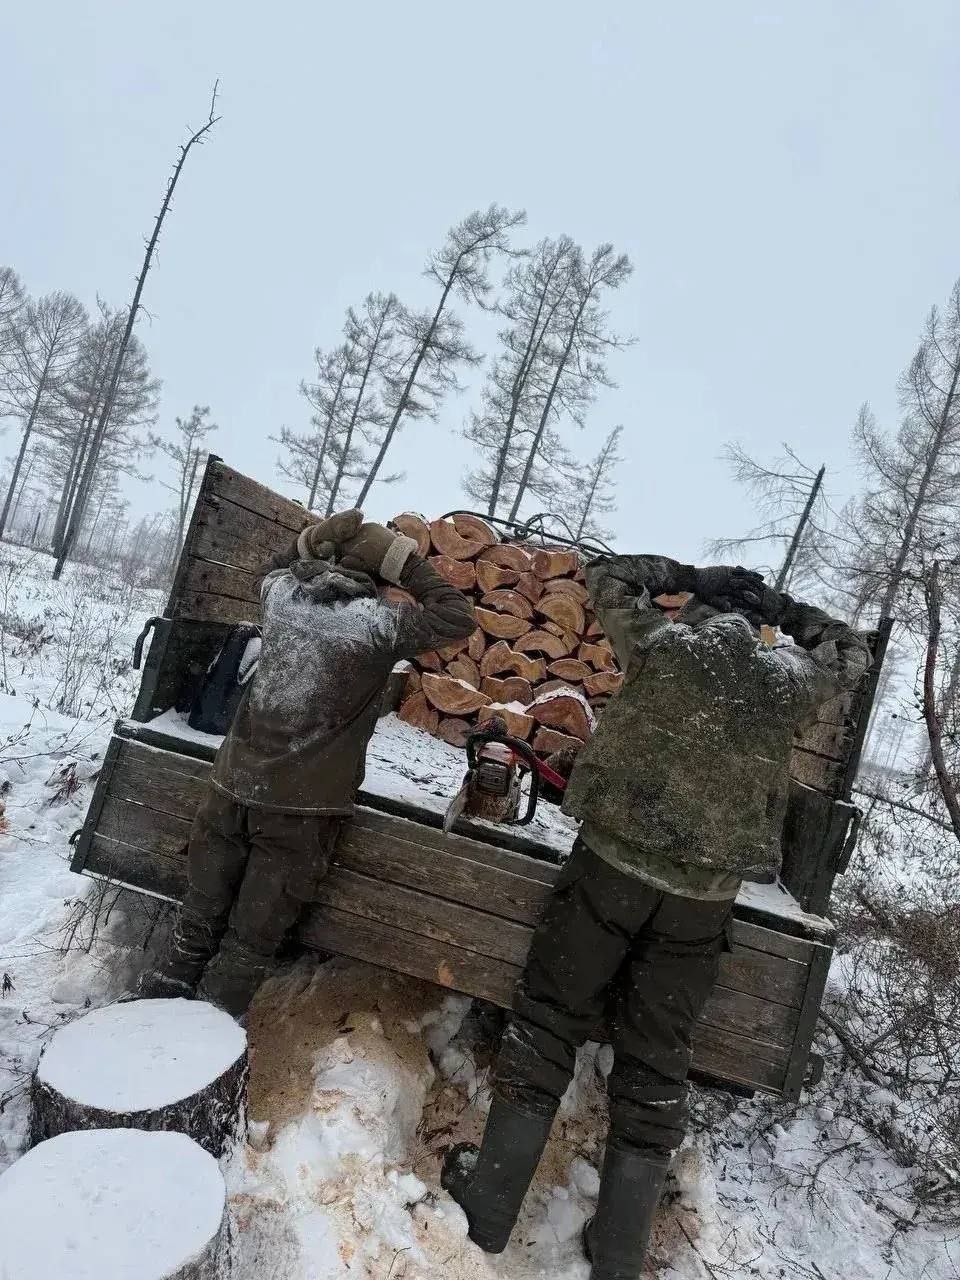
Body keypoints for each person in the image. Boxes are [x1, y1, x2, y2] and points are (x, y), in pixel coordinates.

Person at [442, 555, 870, 1278]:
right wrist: (786, 611)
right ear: (758, 631)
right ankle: (618, 1252)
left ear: (698, 612)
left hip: (608, 867)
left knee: (549, 1019)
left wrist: (689, 576)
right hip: (701, 902)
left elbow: (607, 576)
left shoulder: (662, 643)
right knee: (657, 1059)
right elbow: (851, 653)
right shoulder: (785, 682)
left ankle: (488, 1208)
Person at [140, 511, 475, 1016]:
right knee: (250, 940)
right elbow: (456, 616)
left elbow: (268, 570)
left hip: (231, 788)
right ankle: (205, 1028)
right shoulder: (378, 626)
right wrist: (406, 562)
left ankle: (151, 1009)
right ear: (382, 574)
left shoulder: (281, 597)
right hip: (300, 811)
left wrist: (310, 540)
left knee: (198, 916)